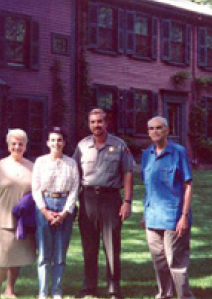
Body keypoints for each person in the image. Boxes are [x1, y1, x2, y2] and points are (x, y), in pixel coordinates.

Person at [73, 108, 135, 299]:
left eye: (100, 121)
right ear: (89, 124)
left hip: (111, 199)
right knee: (89, 245)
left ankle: (113, 288)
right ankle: (89, 288)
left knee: (112, 245)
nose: (96, 125)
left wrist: (127, 201)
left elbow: (128, 173)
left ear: (106, 123)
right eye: (93, 122)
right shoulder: (82, 146)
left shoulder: (119, 145)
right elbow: (74, 174)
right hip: (88, 198)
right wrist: (74, 202)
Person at [141, 116, 194, 299]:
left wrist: (184, 216)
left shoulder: (178, 152)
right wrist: (144, 214)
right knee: (160, 262)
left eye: (158, 128)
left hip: (174, 217)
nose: (154, 131)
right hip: (152, 217)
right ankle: (165, 295)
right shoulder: (146, 154)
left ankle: (184, 296)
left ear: (167, 130)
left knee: (176, 263)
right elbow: (148, 187)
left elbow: (188, 185)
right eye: (151, 128)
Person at [0, 129, 36, 299]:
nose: (17, 147)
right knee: (3, 256)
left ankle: (10, 289)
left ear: (25, 146)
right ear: (8, 146)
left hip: (24, 220)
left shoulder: (32, 167)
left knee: (17, 256)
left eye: (21, 144)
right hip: (4, 218)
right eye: (14, 143)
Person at [32, 127, 80, 299]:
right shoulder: (40, 162)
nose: (56, 143)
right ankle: (43, 292)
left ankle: (57, 290)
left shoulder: (71, 163)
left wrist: (66, 212)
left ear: (64, 143)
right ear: (47, 142)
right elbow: (36, 189)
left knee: (60, 253)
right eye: (52, 140)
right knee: (44, 253)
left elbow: (75, 189)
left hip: (64, 206)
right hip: (45, 204)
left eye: (59, 140)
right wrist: (44, 211)